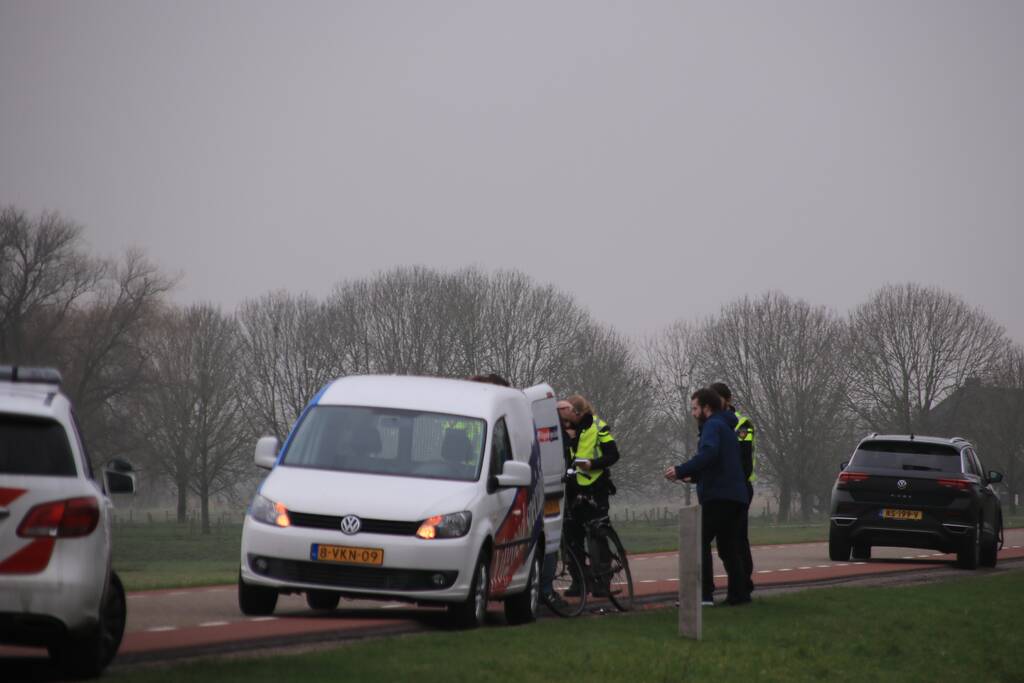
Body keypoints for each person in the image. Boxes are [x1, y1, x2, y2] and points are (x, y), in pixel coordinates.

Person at [665, 388, 750, 606]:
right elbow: (721, 463)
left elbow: (709, 453)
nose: (693, 413)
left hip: (718, 496)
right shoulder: (727, 427)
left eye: (695, 408)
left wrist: (681, 470)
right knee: (729, 547)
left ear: (707, 408)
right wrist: (694, 477)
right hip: (736, 496)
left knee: (697, 541)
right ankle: (739, 596)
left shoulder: (712, 425)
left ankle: (702, 595)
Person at [559, 394, 620, 597]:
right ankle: (579, 581)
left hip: (595, 489)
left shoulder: (598, 426)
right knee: (571, 537)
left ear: (577, 412)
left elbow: (613, 455)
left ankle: (602, 581)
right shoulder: (564, 431)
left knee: (597, 536)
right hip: (571, 490)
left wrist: (592, 464)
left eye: (567, 413)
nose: (564, 419)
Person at [709, 382, 756, 597]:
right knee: (726, 541)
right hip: (722, 487)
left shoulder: (742, 424)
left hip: (740, 486)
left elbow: (744, 461)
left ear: (727, 400)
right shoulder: (712, 423)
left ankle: (744, 583)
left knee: (737, 538)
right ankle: (737, 586)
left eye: (716, 399)